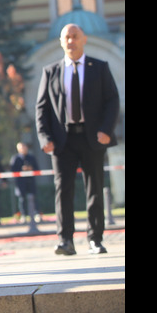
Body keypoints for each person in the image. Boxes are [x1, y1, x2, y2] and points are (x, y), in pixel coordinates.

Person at [36, 23, 119, 255]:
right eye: (66, 37)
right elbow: (41, 108)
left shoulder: (99, 68)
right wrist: (45, 137)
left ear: (84, 40)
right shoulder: (51, 71)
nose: (71, 41)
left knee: (94, 189)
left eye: (75, 36)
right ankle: (65, 240)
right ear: (61, 42)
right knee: (63, 190)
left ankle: (95, 239)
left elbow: (112, 100)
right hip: (63, 142)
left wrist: (106, 130)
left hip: (93, 138)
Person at [9, 142, 40, 234]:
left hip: (31, 181)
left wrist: (30, 169)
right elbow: (12, 170)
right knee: (22, 199)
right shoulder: (15, 159)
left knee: (34, 198)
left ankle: (36, 213)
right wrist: (22, 170)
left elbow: (37, 169)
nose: (23, 149)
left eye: (24, 147)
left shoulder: (31, 157)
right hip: (21, 183)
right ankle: (23, 215)